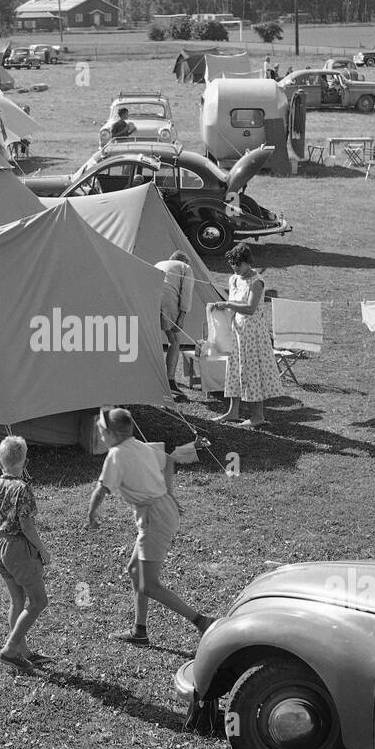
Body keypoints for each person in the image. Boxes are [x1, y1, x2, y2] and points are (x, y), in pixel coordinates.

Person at [87, 407, 213, 647]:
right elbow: (168, 461)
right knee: (135, 570)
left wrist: (91, 514)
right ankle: (140, 631)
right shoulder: (142, 446)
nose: (100, 434)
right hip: (161, 509)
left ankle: (201, 621)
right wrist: (169, 494)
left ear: (113, 435)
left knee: (149, 585)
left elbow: (101, 489)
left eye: (102, 430)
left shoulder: (116, 454)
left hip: (155, 516)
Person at [0, 435, 51, 670]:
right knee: (39, 601)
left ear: (0, 463)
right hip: (20, 549)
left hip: (1, 549)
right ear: (25, 462)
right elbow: (27, 525)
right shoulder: (23, 489)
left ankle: (23, 651)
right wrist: (42, 550)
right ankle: (10, 649)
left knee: (17, 601)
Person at [210, 243, 283, 430]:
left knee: (251, 371)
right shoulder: (234, 279)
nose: (235, 268)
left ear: (247, 263)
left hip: (253, 334)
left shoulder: (256, 281)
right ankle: (233, 411)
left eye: (238, 264)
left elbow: (250, 308)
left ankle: (257, 416)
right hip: (237, 332)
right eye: (232, 264)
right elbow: (234, 303)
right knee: (235, 369)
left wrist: (227, 305)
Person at [154, 249, 196, 400]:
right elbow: (186, 291)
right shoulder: (186, 268)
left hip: (151, 298)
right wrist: (182, 315)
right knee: (175, 341)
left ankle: (156, 378)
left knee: (154, 339)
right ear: (185, 261)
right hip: (168, 301)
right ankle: (170, 381)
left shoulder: (159, 263)